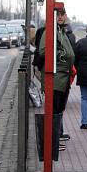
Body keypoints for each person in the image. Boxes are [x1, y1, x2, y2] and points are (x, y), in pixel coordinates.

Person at [37, 10, 76, 141]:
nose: (60, 17)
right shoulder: (50, 31)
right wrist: (60, 55)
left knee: (60, 107)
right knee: (55, 107)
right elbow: (43, 51)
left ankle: (57, 134)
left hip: (64, 77)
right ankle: (53, 138)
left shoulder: (61, 31)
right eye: (57, 15)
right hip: (56, 76)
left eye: (62, 15)